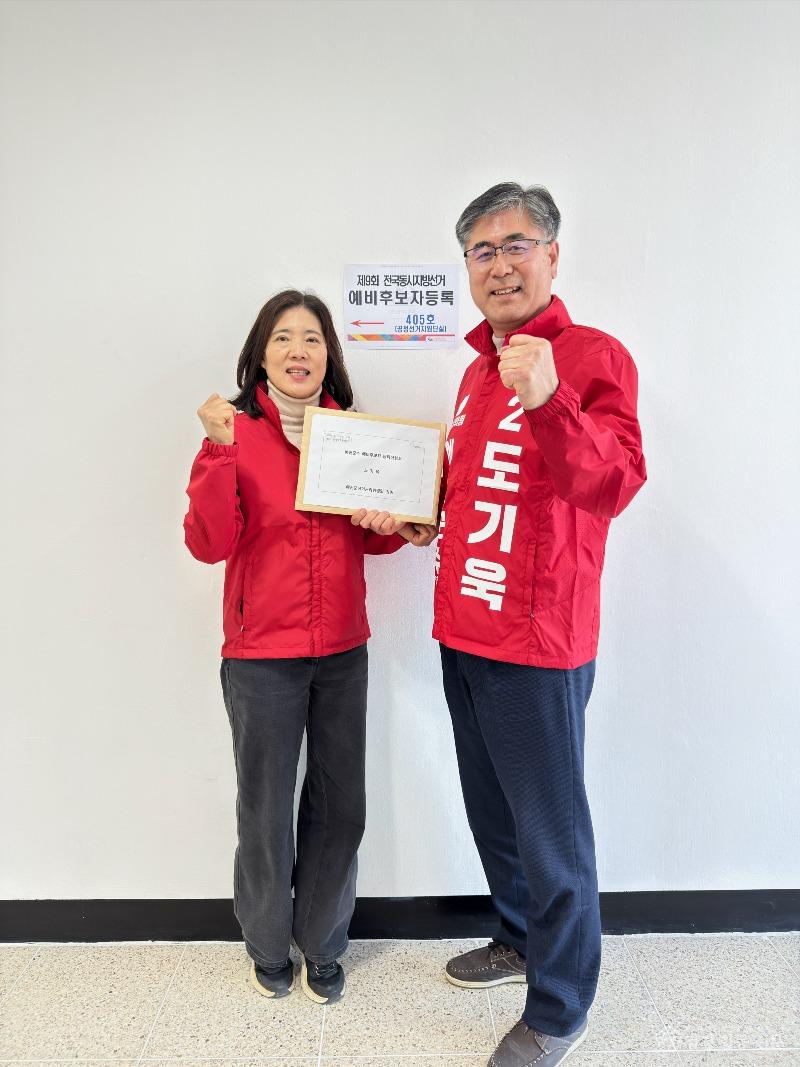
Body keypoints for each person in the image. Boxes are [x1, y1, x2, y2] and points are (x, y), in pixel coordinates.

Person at [432, 184, 647, 1066]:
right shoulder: (476, 373)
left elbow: (615, 484)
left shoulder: (594, 356)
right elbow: (473, 495)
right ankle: (520, 937)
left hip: (539, 640)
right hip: (463, 628)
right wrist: (416, 516)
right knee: (494, 816)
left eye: (516, 244)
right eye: (482, 251)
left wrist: (552, 397)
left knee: (551, 833)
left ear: (552, 255)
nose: (500, 264)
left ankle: (559, 1007)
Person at [183, 289, 434, 1006]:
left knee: (340, 804)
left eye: (313, 338)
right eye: (284, 337)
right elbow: (208, 543)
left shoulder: (353, 434)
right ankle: (267, 944)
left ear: (330, 355)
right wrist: (217, 450)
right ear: (260, 354)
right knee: (265, 809)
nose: (299, 350)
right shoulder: (235, 434)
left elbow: (372, 539)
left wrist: (397, 522)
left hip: (342, 651)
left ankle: (323, 942)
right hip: (261, 654)